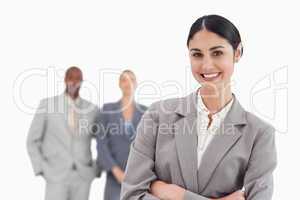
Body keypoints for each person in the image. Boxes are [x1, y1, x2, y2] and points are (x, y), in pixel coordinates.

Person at [121, 15, 277, 200]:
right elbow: (131, 195)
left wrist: (174, 193)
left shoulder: (259, 134)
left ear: (237, 53)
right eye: (197, 54)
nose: (206, 65)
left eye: (217, 53)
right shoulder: (157, 115)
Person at [27, 66, 100, 200]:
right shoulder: (47, 105)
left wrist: (97, 167)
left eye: (78, 78)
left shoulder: (93, 110)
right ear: (65, 80)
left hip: (83, 176)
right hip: (55, 174)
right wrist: (40, 167)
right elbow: (32, 140)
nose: (74, 82)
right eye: (71, 78)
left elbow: (104, 140)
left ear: (82, 81)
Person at [96, 70, 147, 200]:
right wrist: (115, 171)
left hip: (139, 179)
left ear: (136, 84)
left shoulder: (146, 112)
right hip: (114, 177)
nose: (128, 83)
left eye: (131, 79)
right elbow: (101, 144)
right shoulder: (107, 110)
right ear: (119, 84)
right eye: (124, 79)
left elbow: (150, 146)